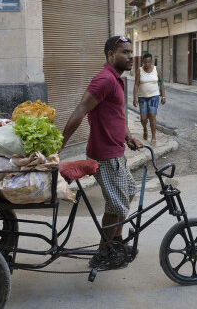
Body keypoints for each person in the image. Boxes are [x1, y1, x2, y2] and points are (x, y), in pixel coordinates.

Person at [61, 35, 143, 268]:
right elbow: (80, 109)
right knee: (116, 205)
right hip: (105, 156)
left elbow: (118, 115)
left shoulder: (117, 80)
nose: (130, 56)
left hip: (117, 152)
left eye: (130, 52)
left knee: (128, 192)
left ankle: (115, 241)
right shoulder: (105, 80)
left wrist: (128, 136)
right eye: (124, 52)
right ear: (110, 55)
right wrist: (61, 143)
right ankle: (103, 253)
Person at [132, 52, 166, 145]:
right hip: (142, 97)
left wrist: (163, 96)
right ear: (143, 61)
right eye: (145, 62)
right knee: (143, 118)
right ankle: (145, 129)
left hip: (154, 97)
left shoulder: (156, 69)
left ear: (151, 62)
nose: (146, 64)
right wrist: (135, 98)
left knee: (152, 116)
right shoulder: (140, 70)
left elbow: (161, 82)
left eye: (148, 62)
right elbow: (136, 84)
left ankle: (154, 137)